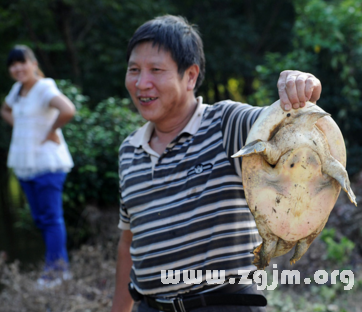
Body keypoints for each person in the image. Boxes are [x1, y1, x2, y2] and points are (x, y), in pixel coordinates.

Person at [111, 15, 322, 312]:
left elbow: (281, 124)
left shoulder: (225, 123)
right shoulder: (129, 150)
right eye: (134, 70)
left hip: (226, 304)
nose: (141, 83)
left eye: (155, 70)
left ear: (190, 76)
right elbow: (128, 242)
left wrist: (300, 87)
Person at [1, 45, 76, 288]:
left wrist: (51, 130)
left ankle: (55, 272)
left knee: (52, 218)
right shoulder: (18, 90)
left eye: (21, 62)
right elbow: (5, 109)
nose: (17, 68)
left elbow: (68, 109)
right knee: (41, 219)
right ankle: (58, 268)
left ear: (33, 63)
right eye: (13, 65)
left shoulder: (44, 87)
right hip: (25, 164)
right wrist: (23, 127)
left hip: (47, 164)